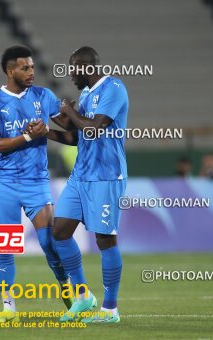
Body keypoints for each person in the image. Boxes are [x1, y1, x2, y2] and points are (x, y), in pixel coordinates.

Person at [0, 45, 77, 323]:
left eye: (32, 67)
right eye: (25, 68)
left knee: (50, 243)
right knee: (6, 248)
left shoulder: (43, 96)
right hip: (6, 186)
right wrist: (26, 137)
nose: (32, 72)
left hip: (37, 184)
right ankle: (9, 309)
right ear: (10, 71)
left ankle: (66, 289)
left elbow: (67, 123)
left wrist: (76, 111)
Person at [44, 46, 129, 323]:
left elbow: (93, 127)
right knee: (59, 232)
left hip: (105, 176)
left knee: (104, 239)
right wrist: (46, 130)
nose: (70, 74)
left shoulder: (113, 88)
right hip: (81, 176)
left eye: (73, 68)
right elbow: (77, 136)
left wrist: (69, 110)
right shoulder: (86, 94)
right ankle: (83, 297)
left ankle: (110, 310)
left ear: (85, 66)